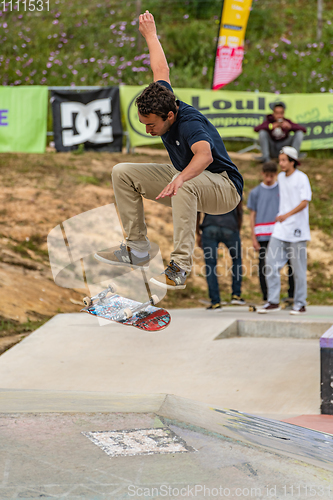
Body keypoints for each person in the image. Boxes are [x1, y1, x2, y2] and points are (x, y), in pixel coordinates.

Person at [94, 10, 243, 290]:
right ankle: (137, 248)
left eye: (151, 125)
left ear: (170, 117)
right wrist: (150, 34)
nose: (148, 131)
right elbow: (161, 69)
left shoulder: (190, 123)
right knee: (122, 172)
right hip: (189, 179)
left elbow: (205, 155)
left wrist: (181, 178)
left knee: (183, 183)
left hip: (225, 188)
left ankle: (179, 268)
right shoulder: (163, 96)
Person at [258, 147, 312, 315]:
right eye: (279, 160)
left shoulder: (302, 178)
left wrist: (286, 215)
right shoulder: (280, 177)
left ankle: (300, 303)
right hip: (280, 229)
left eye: (283, 160)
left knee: (298, 269)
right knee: (270, 263)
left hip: (297, 229)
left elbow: (305, 201)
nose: (280, 163)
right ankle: (273, 301)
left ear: (292, 161)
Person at [247, 161, 294, 303]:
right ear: (262, 174)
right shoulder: (255, 192)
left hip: (281, 233)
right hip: (262, 236)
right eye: (266, 175)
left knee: (291, 263)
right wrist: (253, 237)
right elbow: (252, 215)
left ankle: (291, 295)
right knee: (264, 266)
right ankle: (267, 297)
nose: (269, 179)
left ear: (276, 175)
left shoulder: (282, 189)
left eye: (271, 176)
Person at [197, 202, 245, 310]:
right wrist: (237, 229)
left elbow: (197, 212)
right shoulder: (234, 185)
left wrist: (198, 233)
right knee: (237, 259)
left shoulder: (205, 187)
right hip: (230, 226)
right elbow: (240, 211)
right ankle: (236, 295)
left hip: (209, 226)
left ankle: (215, 301)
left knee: (210, 264)